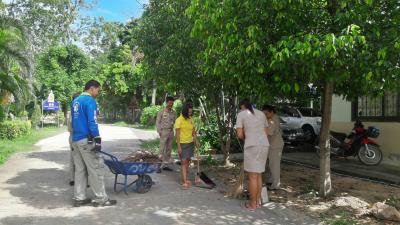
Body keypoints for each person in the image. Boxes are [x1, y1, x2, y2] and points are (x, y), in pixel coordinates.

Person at [71, 80, 116, 207]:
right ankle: (101, 198)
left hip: (75, 140)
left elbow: (73, 121)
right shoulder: (90, 101)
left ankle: (79, 198)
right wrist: (97, 138)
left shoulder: (75, 101)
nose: (98, 93)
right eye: (98, 90)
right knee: (95, 168)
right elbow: (92, 121)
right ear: (91, 88)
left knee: (79, 170)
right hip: (86, 139)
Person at [235, 99, 269, 211]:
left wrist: (248, 138)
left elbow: (239, 134)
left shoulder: (241, 114)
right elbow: (265, 132)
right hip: (264, 145)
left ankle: (252, 204)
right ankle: (257, 202)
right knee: (258, 175)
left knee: (252, 176)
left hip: (252, 146)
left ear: (242, 106)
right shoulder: (261, 114)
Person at [175, 102, 199, 189]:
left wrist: (196, 141)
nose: (190, 114)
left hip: (190, 143)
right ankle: (185, 182)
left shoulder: (191, 119)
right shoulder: (179, 120)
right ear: (185, 111)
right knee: (184, 162)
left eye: (191, 112)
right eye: (188, 112)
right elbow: (177, 135)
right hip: (182, 144)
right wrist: (178, 147)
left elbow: (193, 132)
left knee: (187, 162)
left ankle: (184, 179)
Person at [262, 104, 284, 190]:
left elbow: (269, 132)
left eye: (266, 114)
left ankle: (276, 185)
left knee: (274, 165)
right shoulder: (271, 118)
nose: (265, 116)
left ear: (271, 112)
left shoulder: (273, 119)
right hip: (272, 144)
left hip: (275, 145)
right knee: (271, 164)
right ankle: (272, 180)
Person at [156, 96, 176, 172]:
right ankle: (158, 165)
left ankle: (165, 165)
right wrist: (159, 131)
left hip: (171, 132)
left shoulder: (174, 112)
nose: (171, 104)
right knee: (161, 149)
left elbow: (175, 122)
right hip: (163, 131)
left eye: (172, 103)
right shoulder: (161, 111)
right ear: (166, 102)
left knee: (169, 149)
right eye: (170, 103)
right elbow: (157, 122)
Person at [67, 92, 81, 186]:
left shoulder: (71, 112)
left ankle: (73, 179)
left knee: (74, 158)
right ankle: (74, 179)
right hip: (76, 136)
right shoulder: (74, 112)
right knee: (78, 159)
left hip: (73, 136)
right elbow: (70, 126)